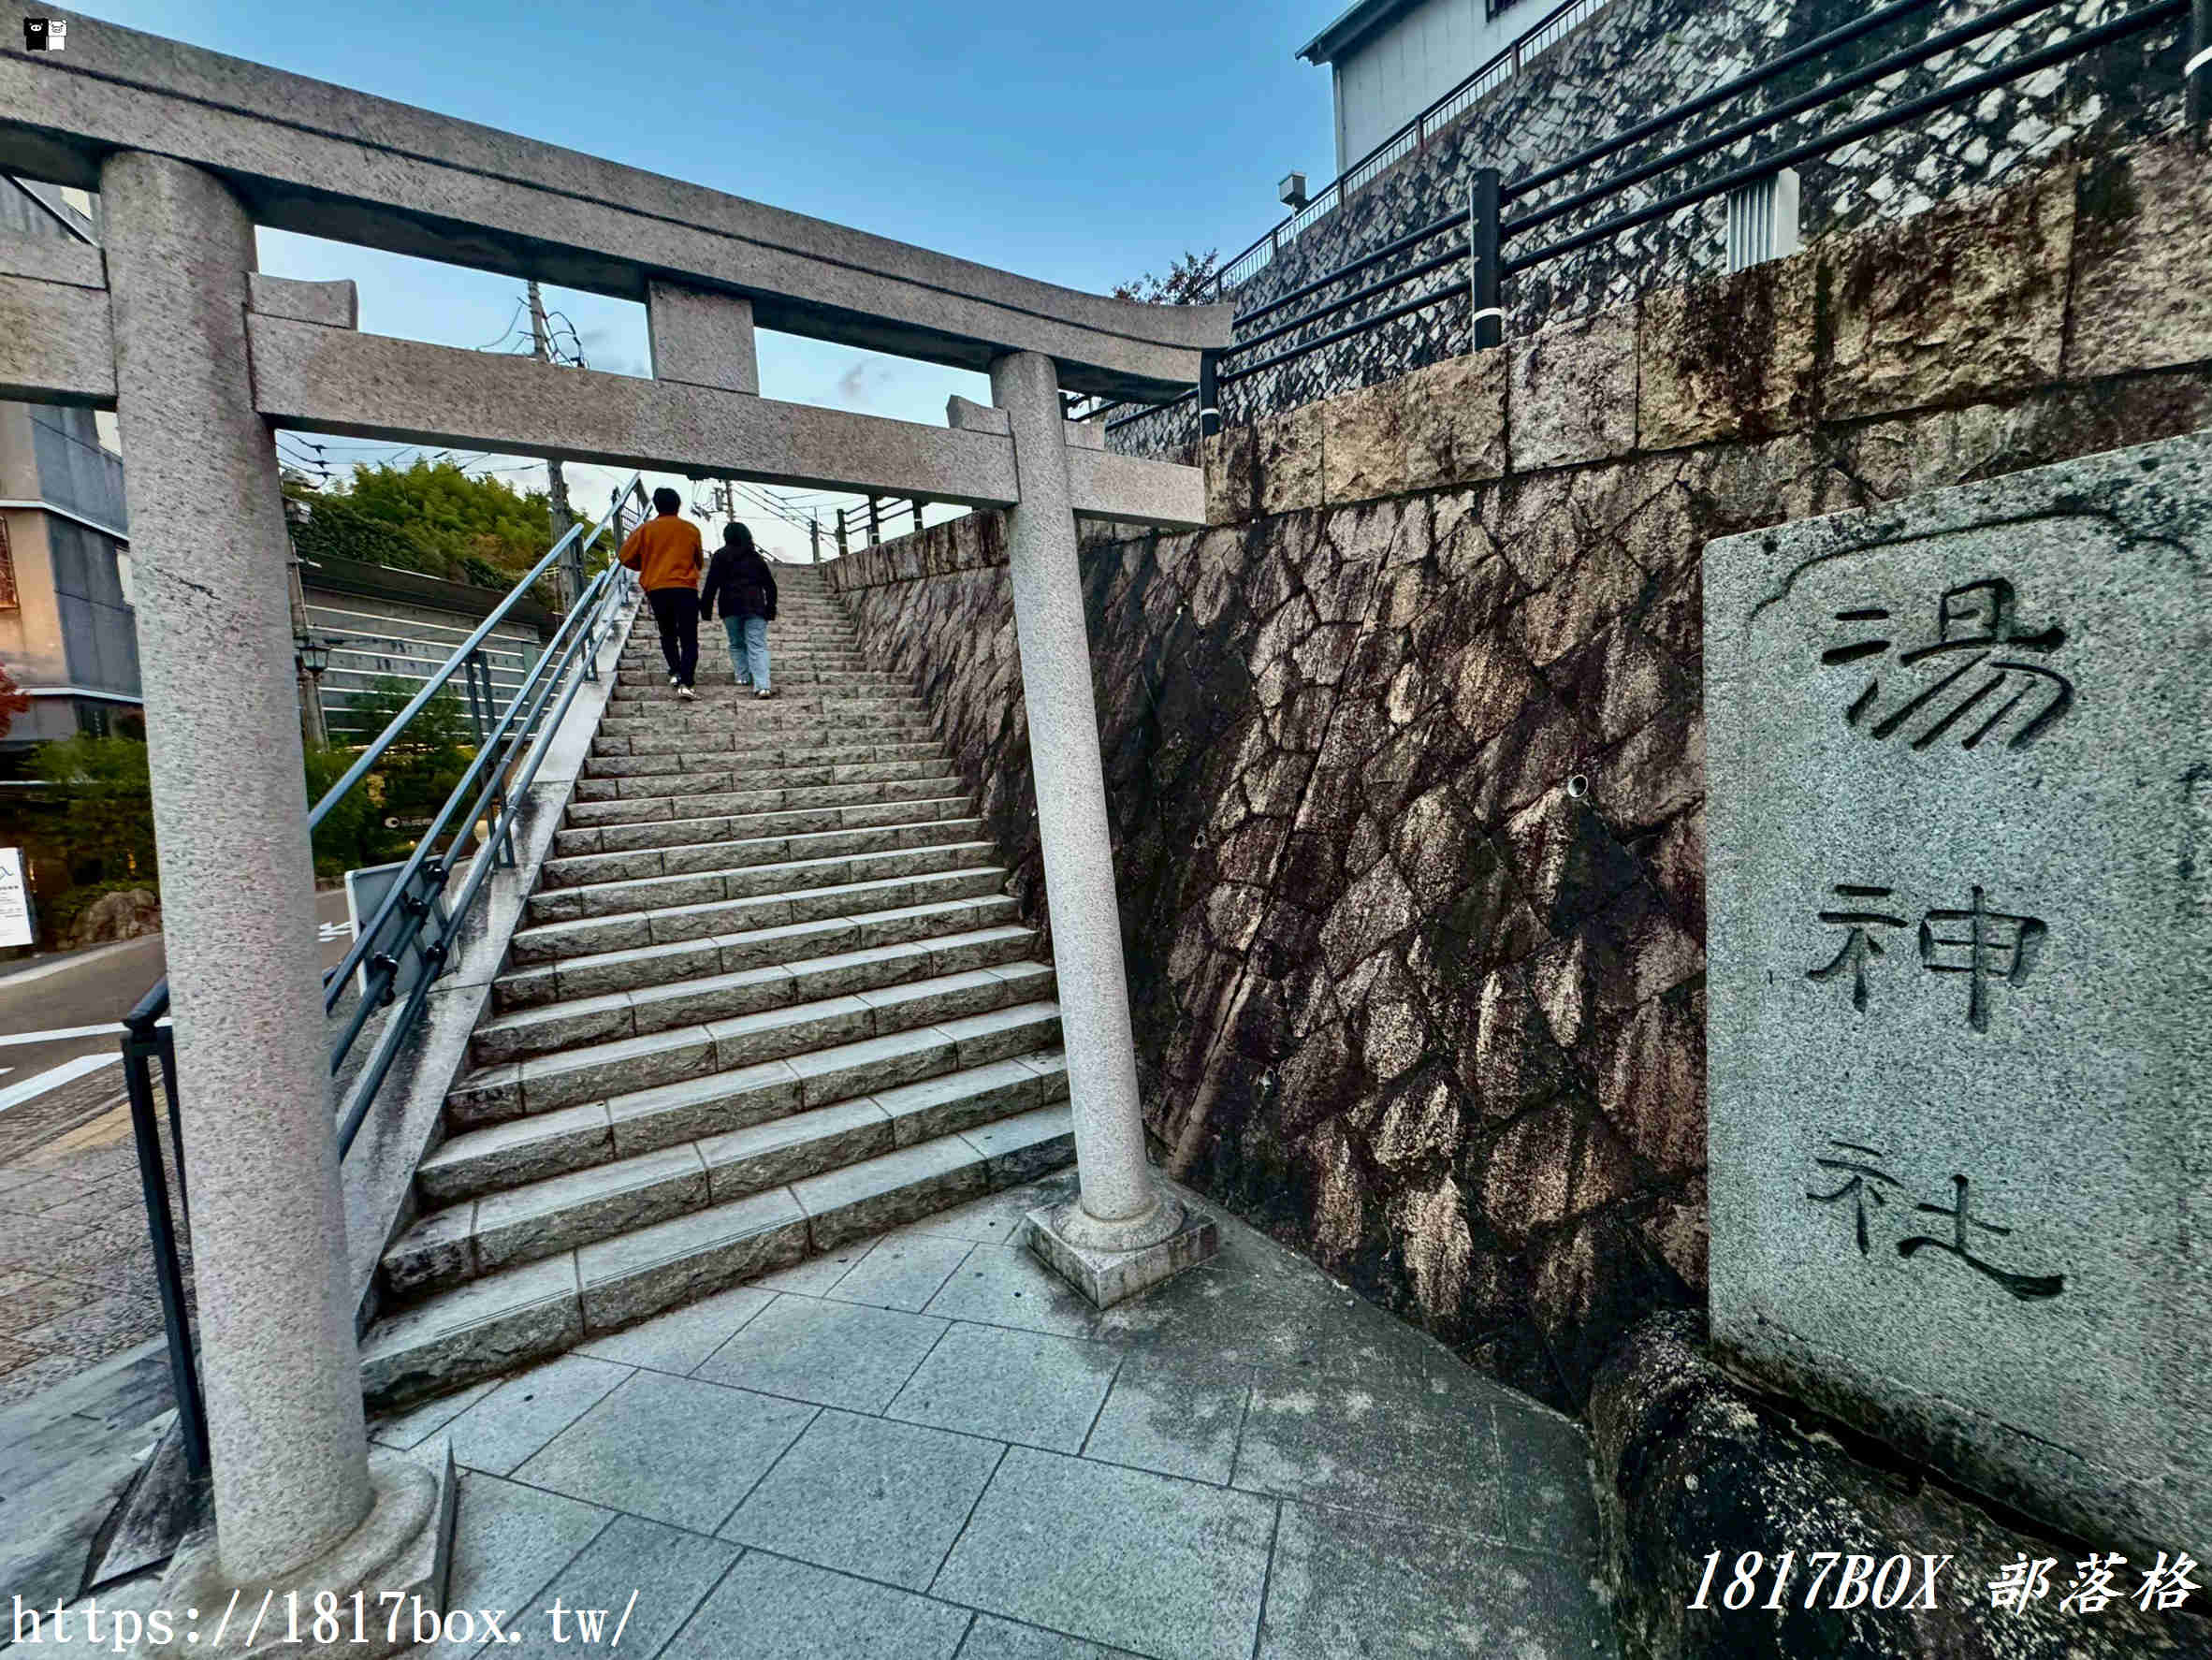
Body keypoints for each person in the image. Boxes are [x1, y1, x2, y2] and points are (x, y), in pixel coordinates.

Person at [618, 488, 704, 699]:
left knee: (667, 632)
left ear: (656, 505)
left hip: (657, 588)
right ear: (678, 504)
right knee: (689, 637)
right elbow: (699, 562)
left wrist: (646, 564)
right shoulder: (691, 529)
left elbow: (624, 556)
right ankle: (686, 682)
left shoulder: (646, 530)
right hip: (685, 588)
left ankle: (675, 671)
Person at [701, 520, 778, 699]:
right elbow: (770, 586)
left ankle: (742, 677)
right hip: (756, 606)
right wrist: (770, 607)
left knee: (736, 643)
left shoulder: (720, 556)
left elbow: (711, 584)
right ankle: (763, 686)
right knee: (757, 645)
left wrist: (705, 608)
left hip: (730, 606)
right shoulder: (755, 557)